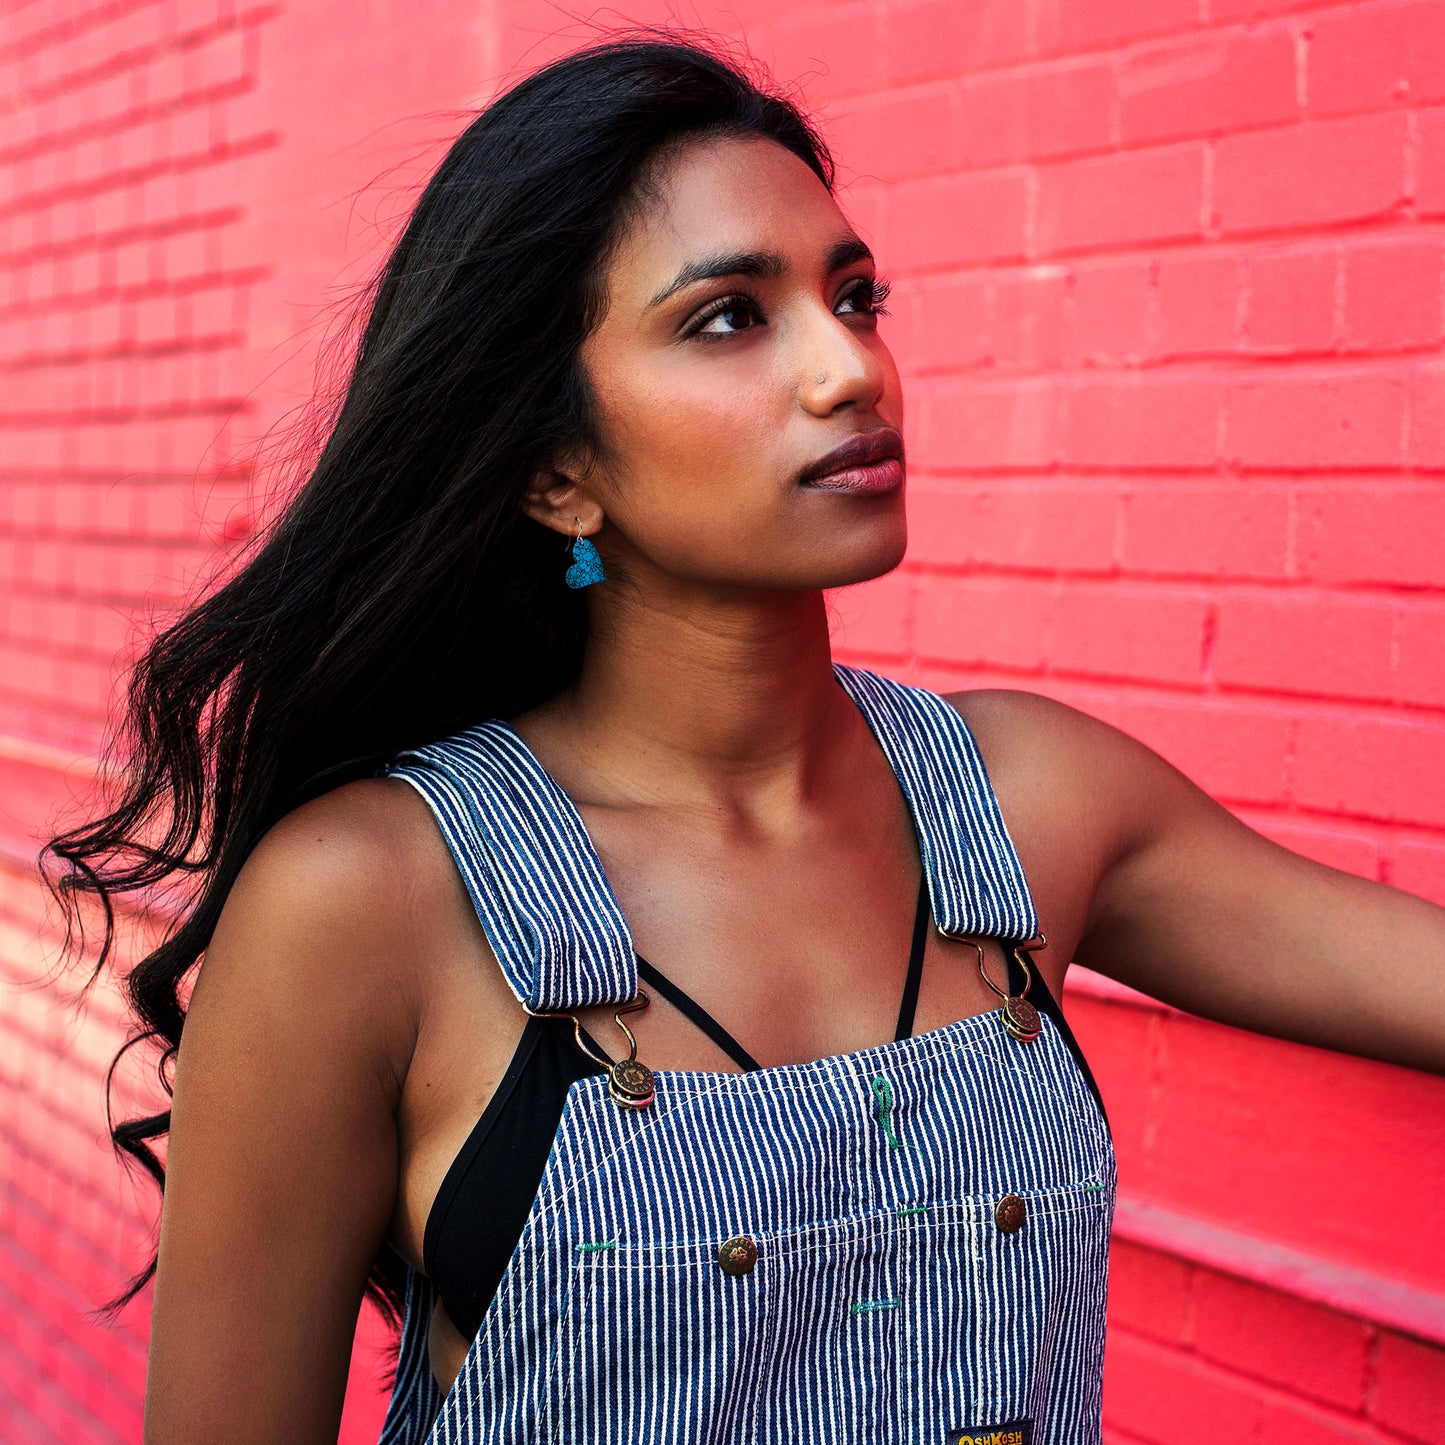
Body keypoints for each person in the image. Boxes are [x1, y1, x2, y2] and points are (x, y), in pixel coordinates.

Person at [45, 29, 1445, 1445]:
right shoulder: (374, 896)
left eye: (855, 294)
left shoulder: (1030, 801)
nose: (850, 367)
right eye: (729, 316)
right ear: (554, 471)